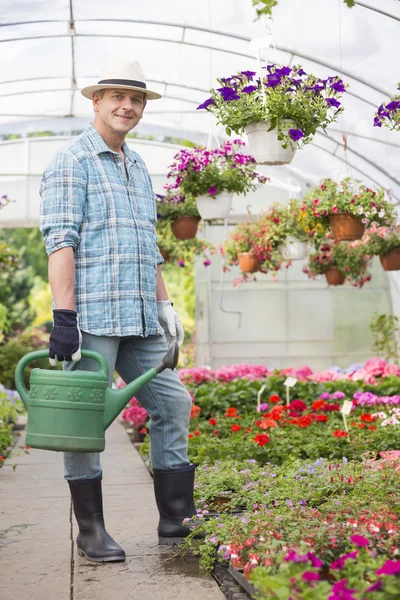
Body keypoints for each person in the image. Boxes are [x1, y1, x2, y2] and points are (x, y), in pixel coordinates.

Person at [39, 57, 197, 563]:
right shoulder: (72, 161)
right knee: (82, 422)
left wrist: (166, 304)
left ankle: (176, 519)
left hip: (141, 317)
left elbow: (147, 245)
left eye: (137, 100)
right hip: (94, 318)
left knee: (172, 403)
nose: (128, 106)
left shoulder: (136, 164)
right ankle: (90, 532)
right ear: (96, 101)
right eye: (118, 97)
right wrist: (66, 318)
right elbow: (60, 242)